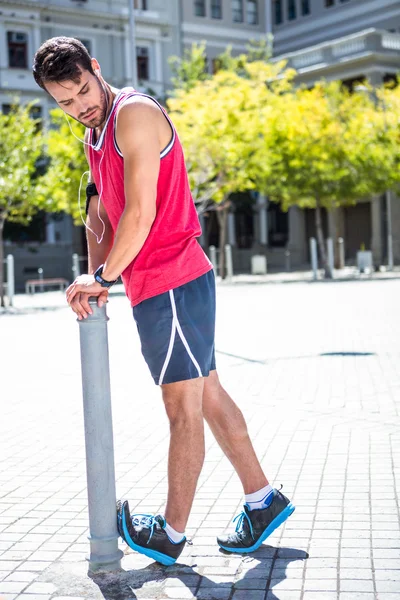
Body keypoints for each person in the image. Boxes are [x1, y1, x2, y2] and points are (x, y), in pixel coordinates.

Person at [32, 37, 295, 566]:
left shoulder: (132, 114)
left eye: (83, 90)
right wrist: (94, 274)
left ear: (96, 69)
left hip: (174, 280)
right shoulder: (96, 132)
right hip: (160, 286)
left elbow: (141, 216)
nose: (80, 105)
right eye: (65, 101)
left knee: (182, 409)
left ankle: (171, 534)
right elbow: (104, 215)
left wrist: (104, 277)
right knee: (209, 396)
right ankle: (262, 500)